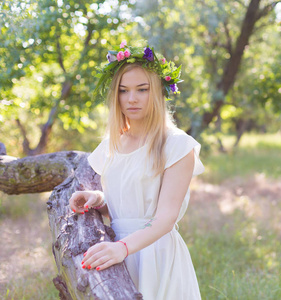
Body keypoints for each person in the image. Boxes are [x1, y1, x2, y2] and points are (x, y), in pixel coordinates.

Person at [69, 40, 204, 300]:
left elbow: (165, 217)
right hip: (116, 250)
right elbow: (126, 204)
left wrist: (123, 248)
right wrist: (98, 200)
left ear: (158, 92)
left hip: (156, 253)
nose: (132, 99)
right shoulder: (112, 144)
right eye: (123, 90)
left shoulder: (177, 145)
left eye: (142, 89)